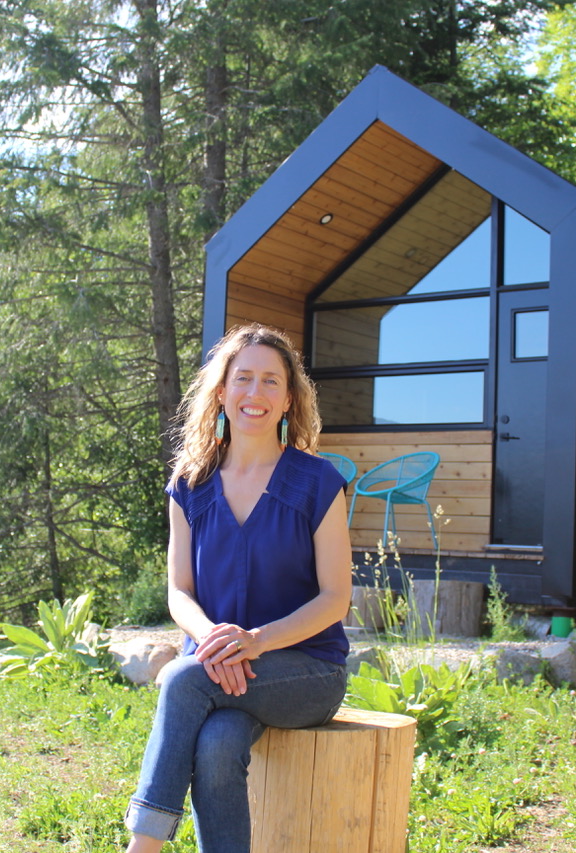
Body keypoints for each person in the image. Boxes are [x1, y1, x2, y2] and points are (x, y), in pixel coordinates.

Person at [124, 324, 352, 853]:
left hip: (306, 671)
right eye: (242, 378)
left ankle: (142, 847)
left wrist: (255, 641)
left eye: (271, 381)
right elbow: (179, 592)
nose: (256, 393)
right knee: (218, 744)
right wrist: (214, 641)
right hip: (213, 662)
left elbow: (334, 599)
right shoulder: (190, 484)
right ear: (221, 392)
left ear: (289, 398)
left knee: (182, 681)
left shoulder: (318, 483)